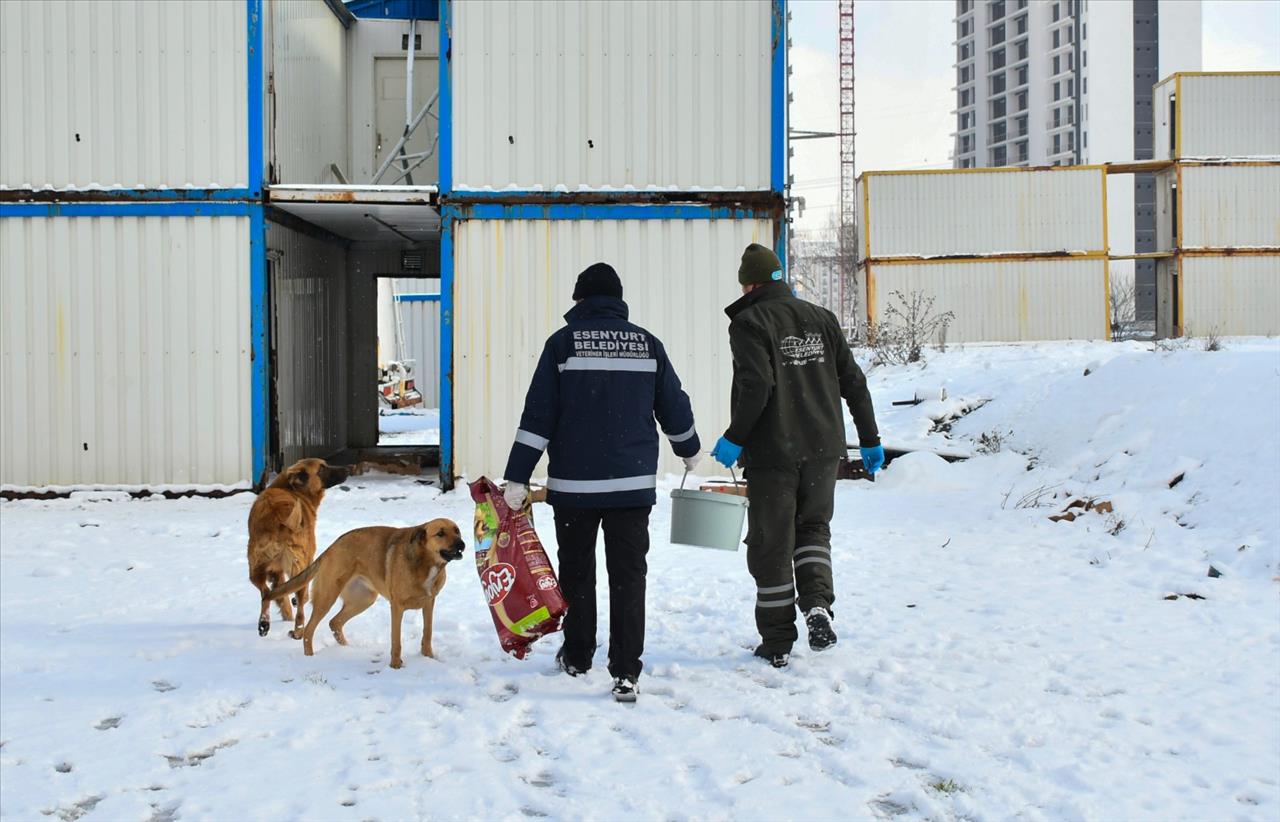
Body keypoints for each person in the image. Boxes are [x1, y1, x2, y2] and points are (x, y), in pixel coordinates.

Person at [503, 262, 701, 702]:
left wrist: (518, 476)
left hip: (575, 488)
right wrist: (688, 448)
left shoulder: (562, 344)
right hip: (631, 488)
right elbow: (674, 406)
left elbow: (538, 416)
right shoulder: (647, 344)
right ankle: (626, 669)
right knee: (629, 576)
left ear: (580, 300)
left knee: (577, 572)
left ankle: (577, 655)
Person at [710, 243, 883, 669]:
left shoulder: (749, 322)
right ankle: (818, 605)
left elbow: (758, 386)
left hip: (774, 452)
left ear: (748, 284)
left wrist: (734, 436)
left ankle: (778, 639)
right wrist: (870, 437)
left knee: (771, 543)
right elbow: (853, 382)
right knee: (812, 530)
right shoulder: (821, 318)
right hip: (824, 449)